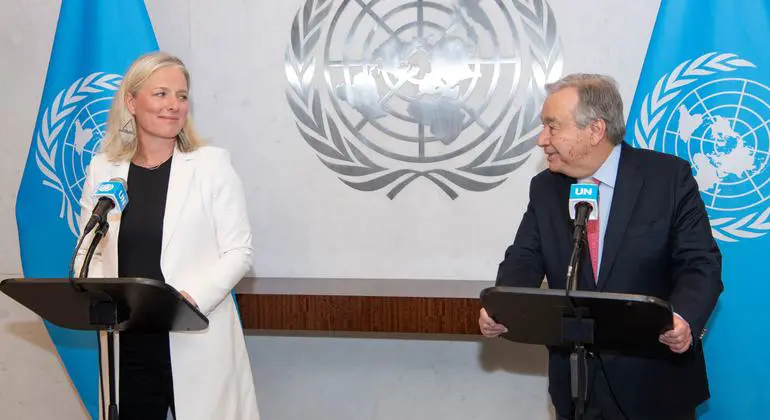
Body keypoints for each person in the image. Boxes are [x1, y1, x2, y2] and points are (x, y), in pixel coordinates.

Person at [479, 74, 723, 420]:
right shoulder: (546, 188)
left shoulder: (668, 179)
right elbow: (525, 257)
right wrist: (502, 305)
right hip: (577, 385)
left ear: (595, 130)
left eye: (552, 127)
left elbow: (700, 265)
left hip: (653, 381)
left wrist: (682, 318)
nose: (541, 140)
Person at [75, 51, 259, 420]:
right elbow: (88, 250)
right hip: (126, 341)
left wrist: (189, 301)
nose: (173, 105)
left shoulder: (211, 165)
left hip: (194, 332)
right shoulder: (103, 168)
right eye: (161, 94)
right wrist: (98, 293)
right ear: (131, 101)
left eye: (182, 95)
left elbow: (239, 251)